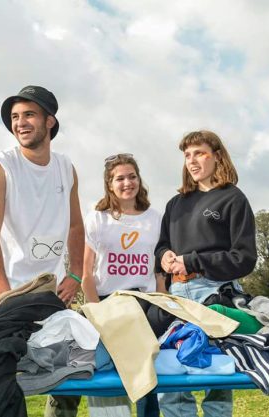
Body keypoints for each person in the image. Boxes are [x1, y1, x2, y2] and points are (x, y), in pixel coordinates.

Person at [0, 85, 85, 416]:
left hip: (48, 298)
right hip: (3, 296)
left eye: (29, 115)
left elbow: (77, 227)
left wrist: (76, 273)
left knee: (77, 364)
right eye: (15, 117)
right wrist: (2, 302)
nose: (20, 123)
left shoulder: (66, 168)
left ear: (50, 121)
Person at [155, 130, 257, 417]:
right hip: (176, 295)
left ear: (217, 156)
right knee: (171, 375)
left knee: (218, 376)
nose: (192, 160)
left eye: (199, 153)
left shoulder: (233, 199)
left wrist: (193, 261)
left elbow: (245, 258)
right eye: (187, 155)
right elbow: (162, 245)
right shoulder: (175, 204)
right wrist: (164, 257)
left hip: (215, 292)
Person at [81, 153, 166, 417]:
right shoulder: (98, 219)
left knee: (146, 371)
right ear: (109, 184)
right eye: (120, 178)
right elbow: (86, 272)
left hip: (144, 302)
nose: (127, 182)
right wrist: (95, 310)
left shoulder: (155, 218)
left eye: (132, 176)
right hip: (109, 302)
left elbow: (159, 267)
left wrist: (163, 301)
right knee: (109, 372)